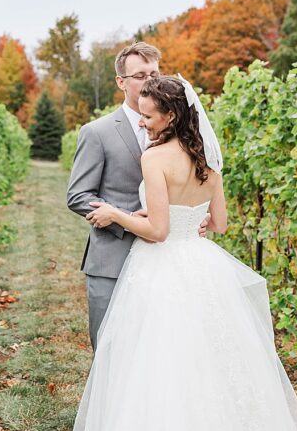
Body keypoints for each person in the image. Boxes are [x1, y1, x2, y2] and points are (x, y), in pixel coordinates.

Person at [69, 74, 297, 431]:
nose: (141, 124)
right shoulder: (207, 162)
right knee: (216, 369)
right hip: (204, 269)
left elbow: (158, 231)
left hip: (162, 272)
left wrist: (114, 215)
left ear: (168, 115)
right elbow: (221, 225)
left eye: (146, 115)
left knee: (161, 371)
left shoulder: (154, 159)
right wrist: (197, 220)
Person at [66, 42, 209, 351]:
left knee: (156, 353)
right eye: (140, 75)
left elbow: (193, 186)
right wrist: (126, 219)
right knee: (109, 349)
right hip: (112, 260)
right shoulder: (97, 132)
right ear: (121, 82)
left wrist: (199, 217)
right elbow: (78, 194)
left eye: (155, 73)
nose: (150, 81)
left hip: (166, 260)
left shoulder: (182, 136)